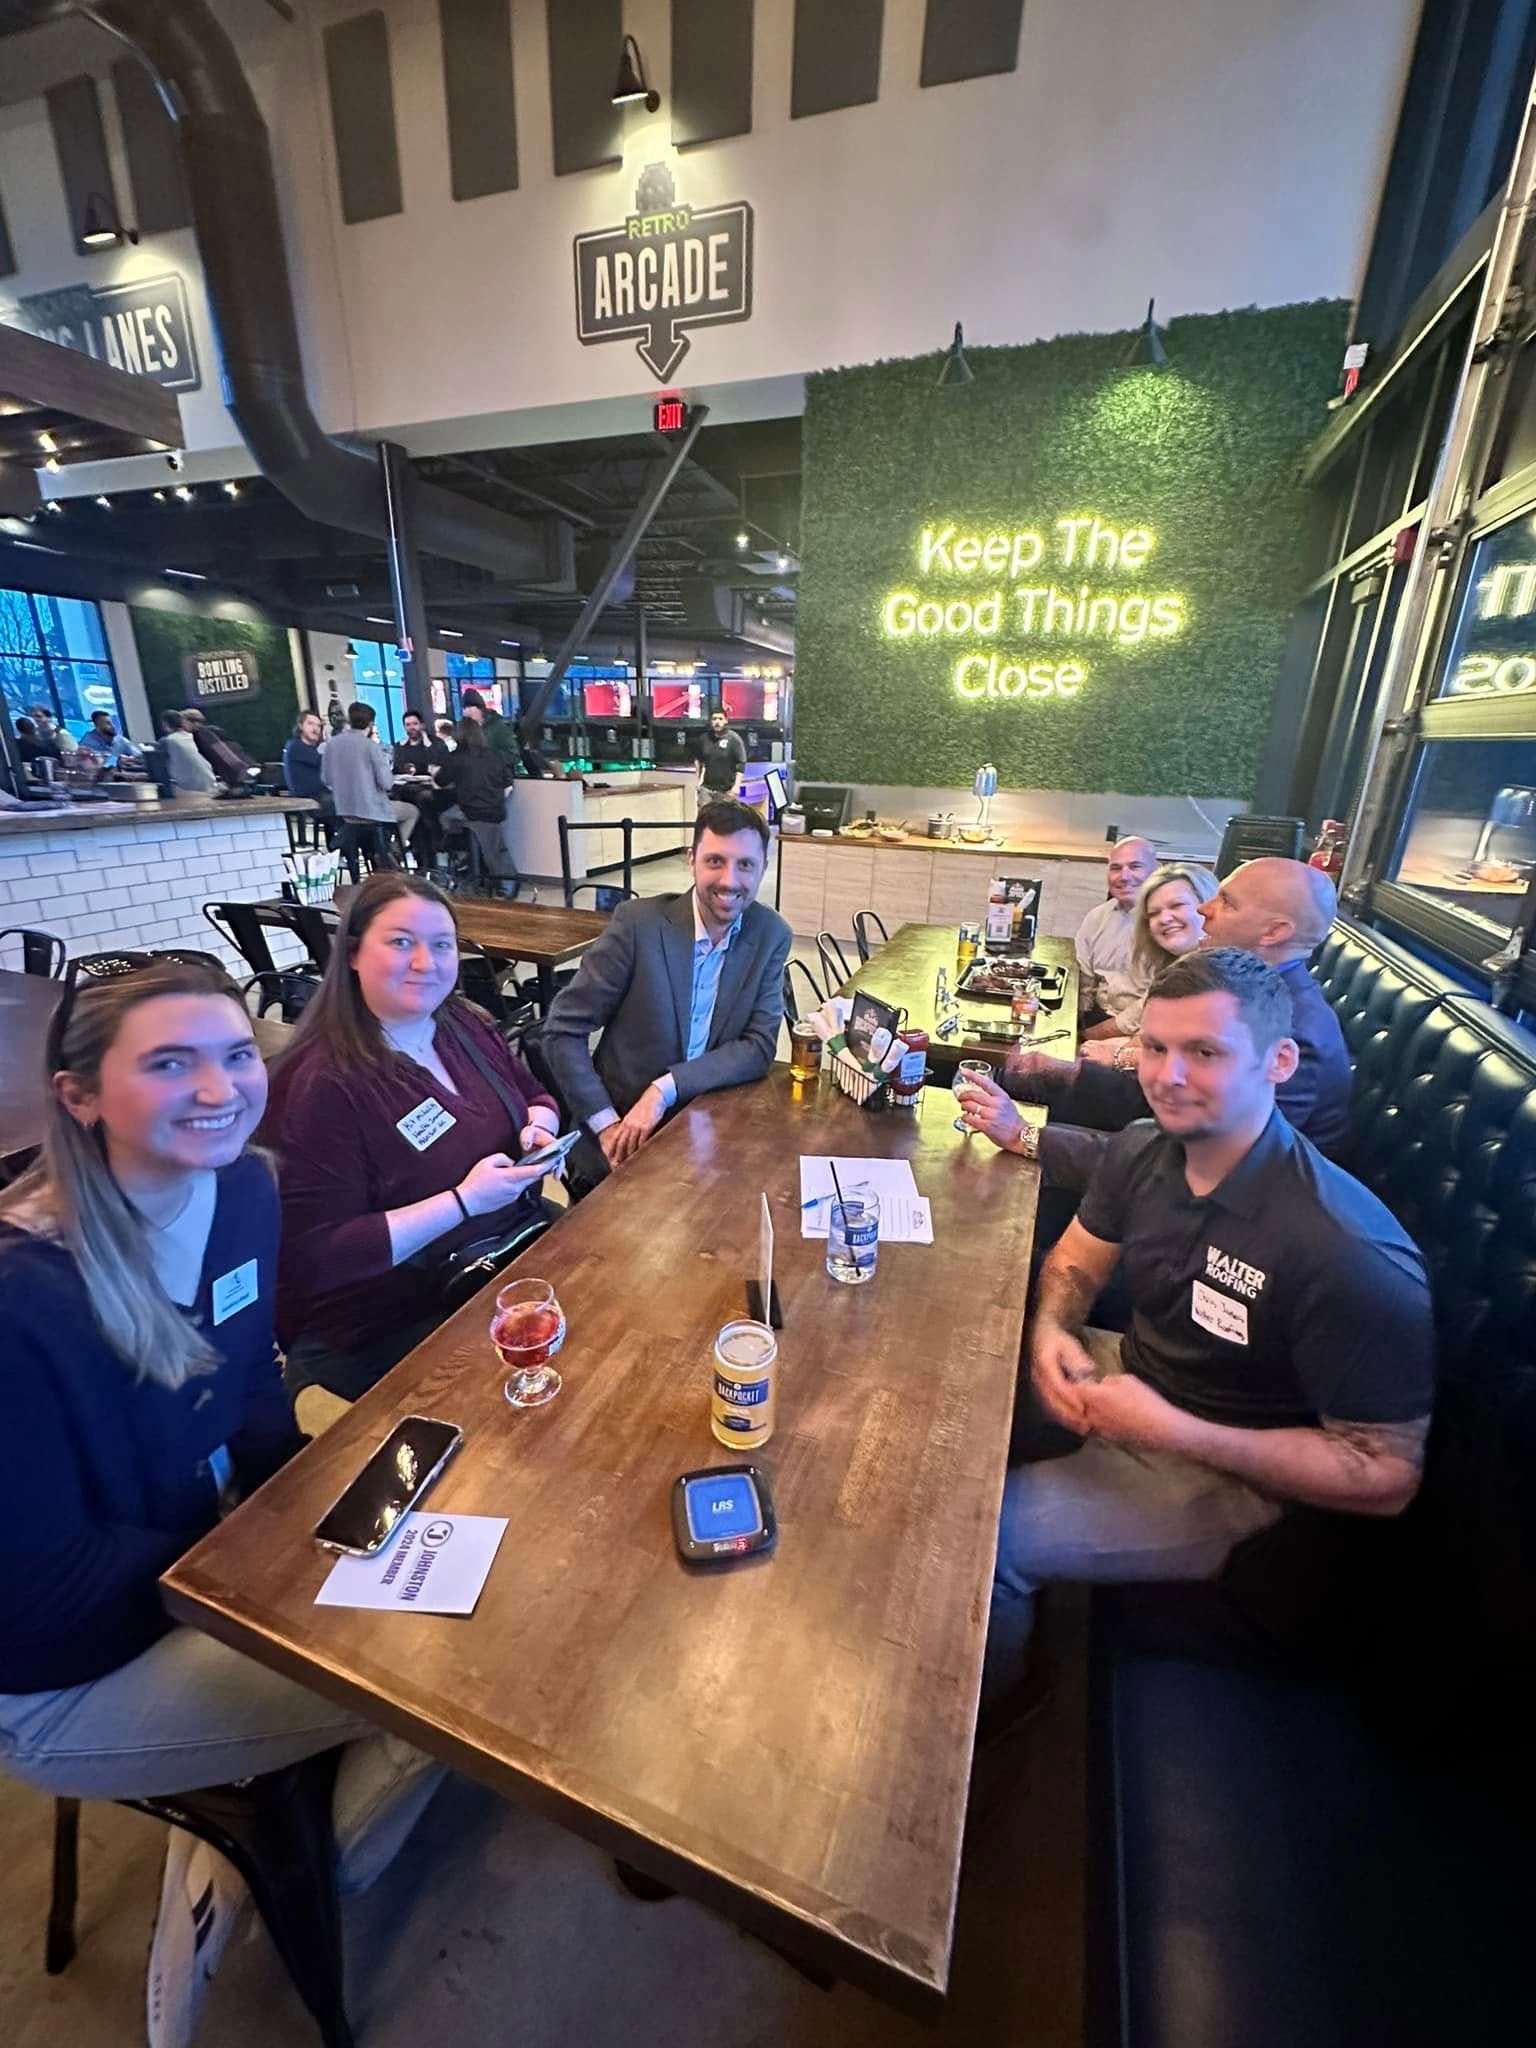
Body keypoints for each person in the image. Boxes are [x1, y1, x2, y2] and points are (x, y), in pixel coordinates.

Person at [0, 962, 442, 2047]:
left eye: (238, 1053)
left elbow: (249, 1384)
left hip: (205, 1558)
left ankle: (241, 1837)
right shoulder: (24, 1301)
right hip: (71, 1669)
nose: (219, 1088)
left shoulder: (245, 1189)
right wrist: (256, 1560)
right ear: (79, 1096)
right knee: (446, 1687)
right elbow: (41, 1588)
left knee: (463, 1576)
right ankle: (258, 1868)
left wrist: (308, 1511)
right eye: (169, 1063)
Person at [975, 948, 1435, 1710]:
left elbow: (1385, 1477)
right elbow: (1076, 1264)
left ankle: (991, 1717)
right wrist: (1052, 1332)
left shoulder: (1344, 1251)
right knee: (959, 1387)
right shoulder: (1142, 1149)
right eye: (1156, 1048)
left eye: (1205, 1052)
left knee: (983, 1544)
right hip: (1134, 1379)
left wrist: (1170, 1430)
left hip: (1238, 1482)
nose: (1168, 1075)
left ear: (1278, 1061)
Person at [264, 873, 559, 1398]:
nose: (426, 962)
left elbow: (534, 1093)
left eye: (442, 945)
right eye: (402, 943)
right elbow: (317, 1255)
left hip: (505, 1250)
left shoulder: (462, 1024)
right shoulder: (319, 1084)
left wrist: (540, 1127)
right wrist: (462, 1202)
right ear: (352, 954)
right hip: (397, 1316)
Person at [996, 856, 1353, 1165]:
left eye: (1226, 903)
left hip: (1215, 1206)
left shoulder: (1292, 1030)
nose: (1204, 909)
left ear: (1274, 932)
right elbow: (1159, 1100)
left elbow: (1194, 1162)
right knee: (1003, 1080)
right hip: (1161, 1158)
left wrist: (1027, 1137)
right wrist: (1059, 1073)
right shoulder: (1245, 991)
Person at [534, 799, 792, 1183]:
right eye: (715, 861)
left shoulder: (770, 934)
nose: (729, 880)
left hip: (711, 1135)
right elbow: (561, 1031)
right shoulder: (639, 925)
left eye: (745, 865)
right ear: (692, 860)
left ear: (763, 868)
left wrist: (664, 1089)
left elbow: (758, 1047)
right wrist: (606, 1125)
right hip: (621, 1141)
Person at [1074, 836, 1158, 1032]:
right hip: (1097, 1016)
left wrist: (1094, 1035)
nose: (1124, 877)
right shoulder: (1097, 917)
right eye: (1116, 868)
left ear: (1156, 871)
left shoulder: (1167, 926)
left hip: (1143, 1029)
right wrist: (1074, 1025)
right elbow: (1084, 982)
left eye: (1135, 866)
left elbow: (1155, 1003)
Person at [322, 700, 418, 862]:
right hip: (371, 810)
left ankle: (380, 850)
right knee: (412, 812)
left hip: (345, 810)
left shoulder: (332, 745)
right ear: (371, 724)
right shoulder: (371, 746)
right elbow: (386, 783)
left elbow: (326, 779)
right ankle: (392, 851)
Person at [434, 714, 516, 885]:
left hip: (471, 811)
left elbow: (440, 781)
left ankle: (459, 857)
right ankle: (472, 857)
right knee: (493, 846)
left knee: (444, 817)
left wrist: (435, 773)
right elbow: (508, 787)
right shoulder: (495, 756)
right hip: (497, 811)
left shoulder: (456, 757)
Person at [181, 706, 259, 791]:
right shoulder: (208, 732)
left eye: (183, 722)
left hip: (235, 772)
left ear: (189, 721)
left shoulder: (203, 734)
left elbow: (223, 752)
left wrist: (240, 769)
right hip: (237, 771)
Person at [694, 707, 746, 808]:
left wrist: (736, 786)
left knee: (725, 817)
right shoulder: (703, 739)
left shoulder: (734, 739)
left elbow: (741, 764)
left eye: (720, 719)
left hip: (727, 791)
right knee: (705, 816)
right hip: (707, 790)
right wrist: (697, 781)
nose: (717, 722)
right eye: (714, 719)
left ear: (726, 720)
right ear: (710, 721)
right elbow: (698, 760)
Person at [158, 710, 220, 794]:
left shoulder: (167, 740)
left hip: (189, 789)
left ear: (165, 724)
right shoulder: (194, 736)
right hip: (211, 785)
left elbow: (157, 765)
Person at [281, 709, 328, 802]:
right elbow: (326, 762)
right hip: (309, 799)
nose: (315, 728)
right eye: (310, 724)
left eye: (318, 725)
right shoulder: (296, 746)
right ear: (300, 726)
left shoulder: (311, 748)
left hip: (318, 796)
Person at [77, 709, 144, 768]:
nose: (113, 726)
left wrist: (132, 759)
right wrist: (117, 760)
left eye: (112, 723)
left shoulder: (120, 740)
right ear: (98, 727)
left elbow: (138, 755)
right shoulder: (88, 741)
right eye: (108, 723)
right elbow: (91, 762)